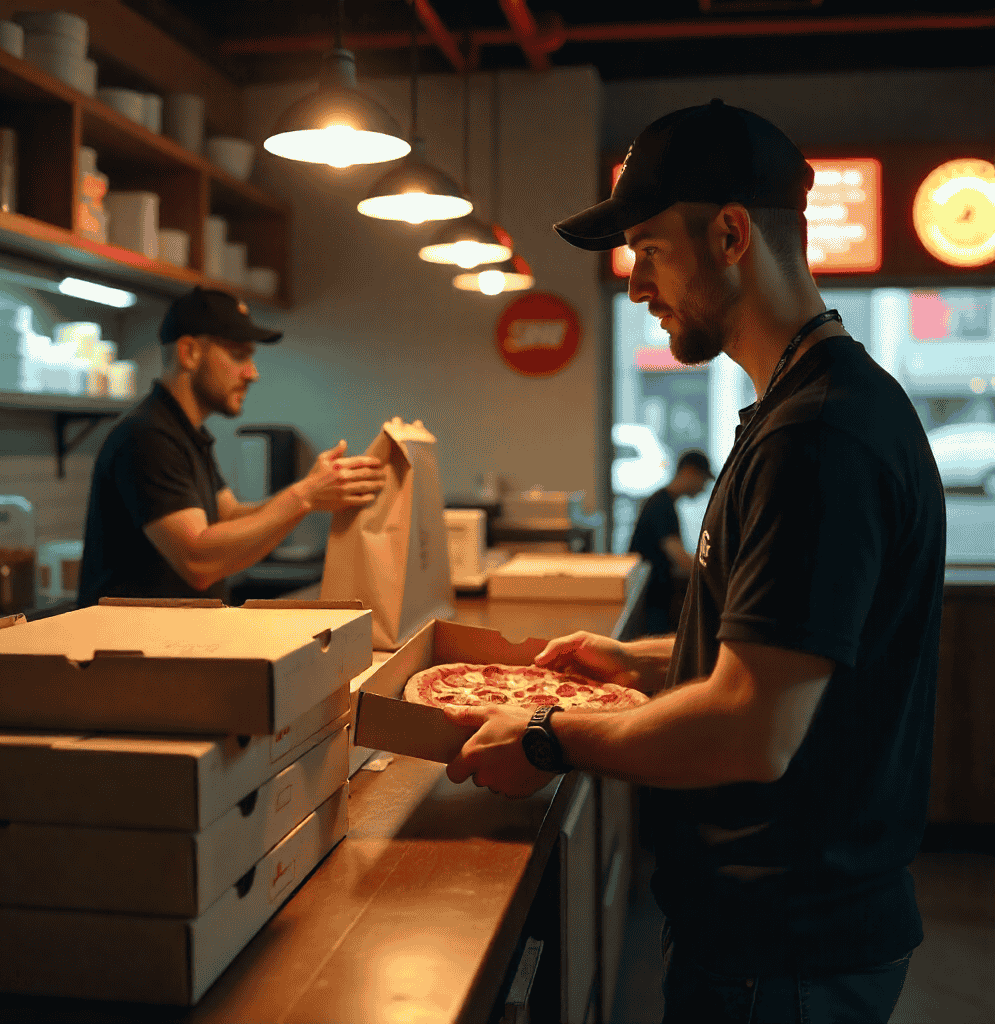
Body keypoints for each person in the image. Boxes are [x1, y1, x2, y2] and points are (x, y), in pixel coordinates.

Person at [441, 100, 946, 1023]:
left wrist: (550, 735)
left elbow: (753, 729)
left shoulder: (819, 436)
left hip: (785, 953)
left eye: (648, 250)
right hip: (775, 938)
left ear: (729, 235)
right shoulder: (799, 409)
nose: (636, 286)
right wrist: (638, 663)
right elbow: (789, 661)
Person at [78, 287, 385, 607]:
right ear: (189, 353)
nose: (253, 373)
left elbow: (230, 517)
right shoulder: (146, 436)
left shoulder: (187, 433)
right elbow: (198, 561)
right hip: (131, 639)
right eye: (239, 355)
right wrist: (304, 496)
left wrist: (315, 492)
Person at [629, 448, 714, 635]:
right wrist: (712, 576)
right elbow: (677, 555)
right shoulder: (661, 505)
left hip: (655, 595)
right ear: (689, 472)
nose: (703, 488)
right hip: (652, 599)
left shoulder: (664, 502)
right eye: (703, 480)